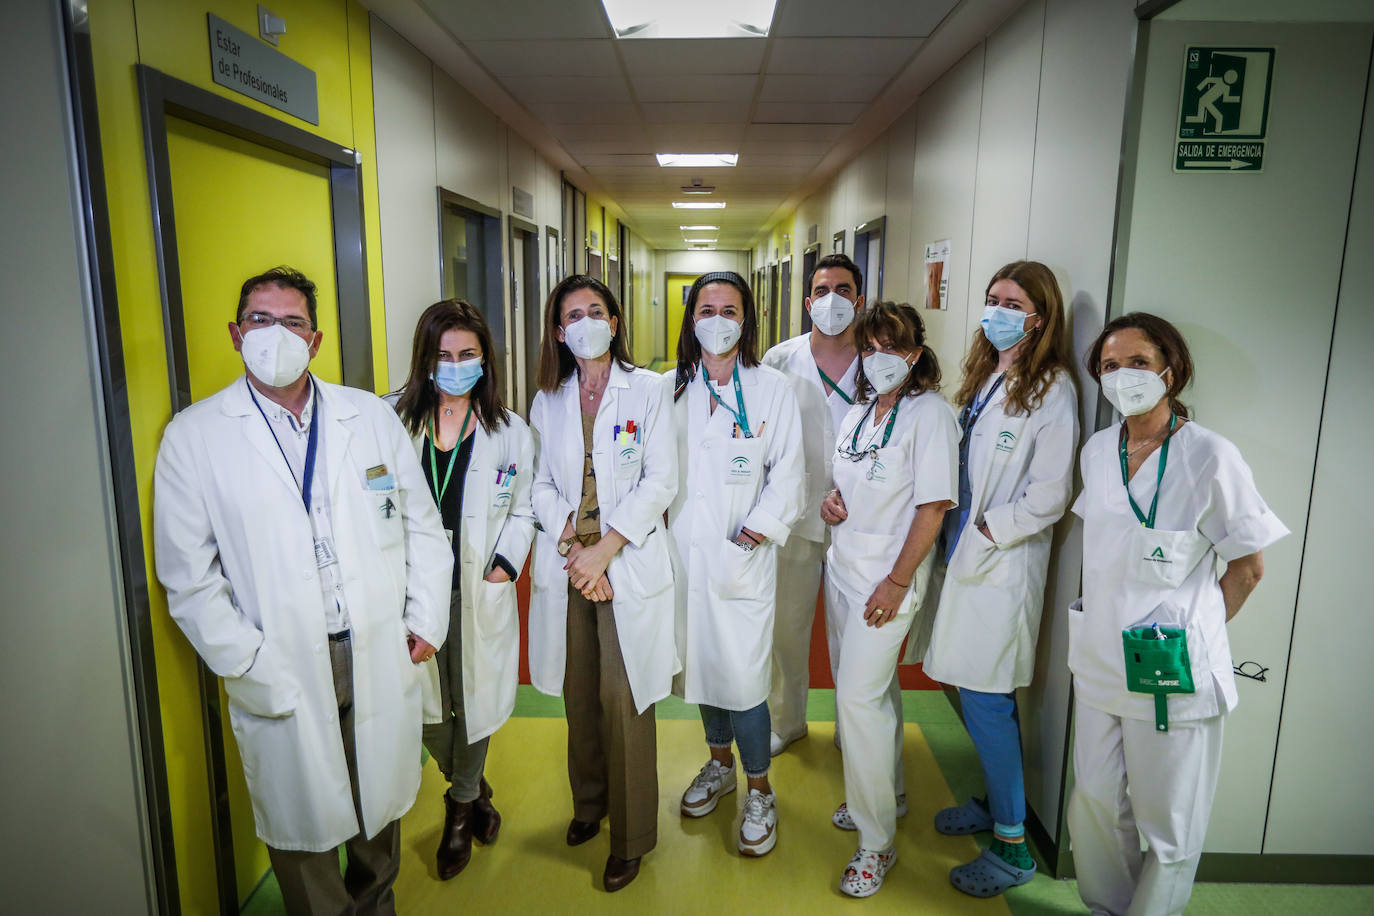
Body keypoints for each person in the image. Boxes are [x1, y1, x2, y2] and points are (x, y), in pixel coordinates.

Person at [153, 267, 451, 915]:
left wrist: (426, 618)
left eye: (292, 323)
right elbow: (188, 579)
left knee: (378, 813)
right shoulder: (195, 438)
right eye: (260, 320)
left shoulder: (367, 417)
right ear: (236, 334)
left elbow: (424, 526)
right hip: (280, 658)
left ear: (314, 342)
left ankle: (377, 904)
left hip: (375, 646)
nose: (275, 335)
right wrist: (248, 663)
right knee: (304, 829)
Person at [1067, 313, 1287, 916]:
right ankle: (1108, 908)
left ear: (1171, 369)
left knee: (1170, 825)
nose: (1124, 377)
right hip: (1100, 662)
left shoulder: (1210, 455)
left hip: (1172, 672)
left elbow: (1248, 568)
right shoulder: (1098, 451)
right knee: (1093, 803)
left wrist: (1194, 635)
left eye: (1138, 362)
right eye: (1111, 367)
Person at [922, 261, 1079, 897]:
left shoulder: (1053, 388)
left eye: (1012, 302)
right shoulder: (988, 375)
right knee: (972, 689)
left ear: (1040, 316)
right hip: (962, 555)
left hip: (998, 563)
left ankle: (1013, 848)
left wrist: (986, 533)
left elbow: (1049, 496)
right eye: (991, 299)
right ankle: (993, 803)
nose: (998, 311)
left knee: (988, 703)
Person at [527, 275, 678, 892]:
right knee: (579, 692)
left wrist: (606, 550)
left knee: (624, 698)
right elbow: (539, 485)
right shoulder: (549, 397)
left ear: (614, 322)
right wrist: (573, 541)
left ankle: (632, 835)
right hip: (571, 565)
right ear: (558, 331)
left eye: (596, 311)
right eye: (572, 315)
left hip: (625, 564)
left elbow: (660, 481)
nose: (585, 322)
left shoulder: (648, 390)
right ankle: (589, 805)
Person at [387, 299, 535, 881]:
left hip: (476, 586)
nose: (454, 365)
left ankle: (457, 811)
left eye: (466, 355)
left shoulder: (508, 431)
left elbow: (523, 511)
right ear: (425, 360)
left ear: (484, 359)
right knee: (424, 708)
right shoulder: (393, 423)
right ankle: (475, 789)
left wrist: (504, 564)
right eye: (443, 355)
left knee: (471, 703)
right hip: (411, 591)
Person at [819, 301, 958, 897]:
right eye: (869, 349)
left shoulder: (930, 415)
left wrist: (899, 580)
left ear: (916, 356)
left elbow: (933, 506)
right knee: (878, 693)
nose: (879, 360)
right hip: (844, 567)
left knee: (855, 700)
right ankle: (890, 792)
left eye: (892, 349)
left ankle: (876, 844)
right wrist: (832, 503)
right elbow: (848, 480)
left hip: (887, 580)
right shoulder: (858, 412)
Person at [665, 271, 805, 858]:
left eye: (729, 308)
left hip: (741, 557)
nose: (717, 318)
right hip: (683, 558)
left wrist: (750, 536)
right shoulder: (669, 388)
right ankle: (718, 764)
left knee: (744, 680)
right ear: (691, 317)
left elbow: (789, 475)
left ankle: (760, 789)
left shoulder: (772, 389)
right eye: (706, 307)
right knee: (702, 667)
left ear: (746, 318)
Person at [760, 253, 863, 757]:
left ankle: (852, 729)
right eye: (823, 290)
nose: (832, 300)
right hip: (795, 518)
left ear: (859, 300)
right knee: (787, 629)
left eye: (843, 290)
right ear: (807, 302)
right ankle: (787, 721)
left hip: (859, 521)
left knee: (853, 636)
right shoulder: (780, 360)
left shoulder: (879, 362)